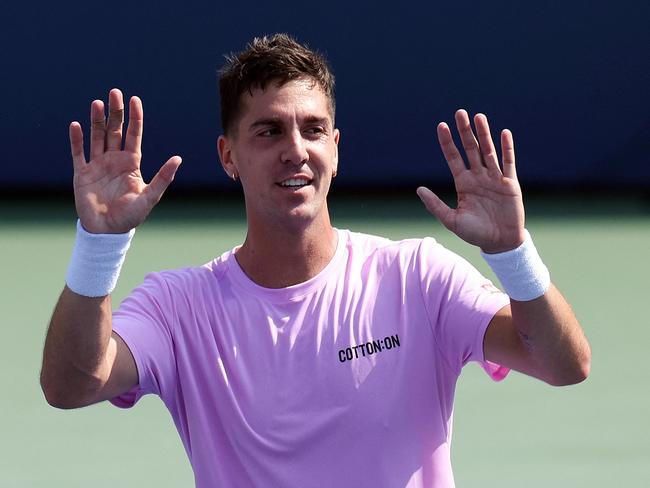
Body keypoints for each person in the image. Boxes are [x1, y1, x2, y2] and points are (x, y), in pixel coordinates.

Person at [40, 34, 591, 487]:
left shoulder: (419, 277)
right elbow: (71, 386)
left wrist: (513, 255)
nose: (295, 150)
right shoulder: (177, 306)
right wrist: (100, 246)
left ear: (336, 147)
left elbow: (565, 365)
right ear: (227, 156)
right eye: (268, 130)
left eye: (313, 129)